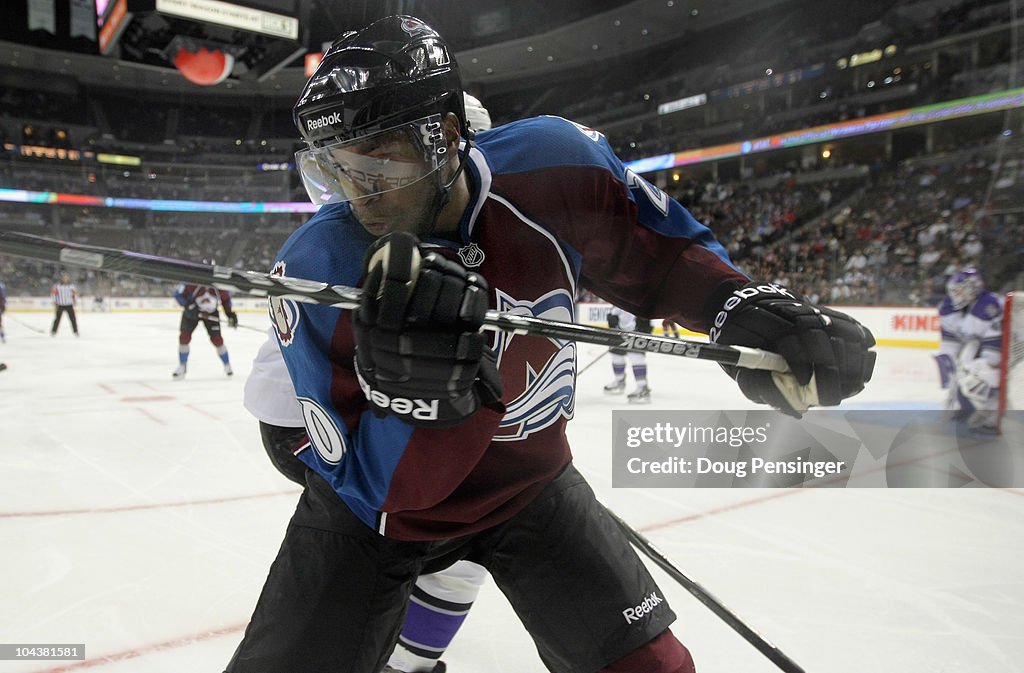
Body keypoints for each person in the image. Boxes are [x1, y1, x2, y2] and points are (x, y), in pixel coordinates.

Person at [225, 15, 875, 673]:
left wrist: (738, 308)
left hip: (529, 483)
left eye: (377, 163)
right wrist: (419, 400)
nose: (359, 194)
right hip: (376, 516)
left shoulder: (556, 163)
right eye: (339, 168)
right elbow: (380, 486)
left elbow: (659, 256)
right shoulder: (317, 266)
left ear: (446, 134)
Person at [244, 329, 487, 673]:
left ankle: (401, 655)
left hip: (293, 412)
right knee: (468, 524)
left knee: (454, 527)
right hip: (328, 422)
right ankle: (404, 662)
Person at [934, 267, 1004, 433]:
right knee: (954, 365)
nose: (955, 295)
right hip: (980, 344)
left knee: (981, 371)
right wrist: (949, 367)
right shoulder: (948, 306)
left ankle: (991, 412)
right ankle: (961, 405)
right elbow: (949, 346)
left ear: (973, 287)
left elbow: (991, 354)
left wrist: (967, 363)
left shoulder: (988, 304)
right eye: (954, 290)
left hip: (1001, 345)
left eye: (959, 290)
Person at [171, 282, 237, 378]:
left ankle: (227, 365)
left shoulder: (219, 285)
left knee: (217, 340)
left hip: (211, 314)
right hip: (191, 313)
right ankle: (182, 365)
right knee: (184, 338)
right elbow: (177, 294)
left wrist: (230, 315)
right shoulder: (190, 282)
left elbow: (226, 300)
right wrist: (189, 306)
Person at [603, 306, 652, 403]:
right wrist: (612, 321)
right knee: (616, 356)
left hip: (636, 332)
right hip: (620, 332)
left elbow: (647, 317)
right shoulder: (619, 300)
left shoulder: (639, 300)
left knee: (636, 358)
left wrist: (643, 329)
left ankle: (642, 388)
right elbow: (613, 314)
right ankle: (619, 381)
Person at [50, 271, 79, 337]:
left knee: (73, 319)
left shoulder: (71, 286)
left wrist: (75, 301)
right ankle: (53, 331)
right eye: (64, 278)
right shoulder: (57, 286)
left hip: (69, 304)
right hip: (60, 305)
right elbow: (53, 294)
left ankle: (76, 331)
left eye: (66, 278)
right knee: (57, 319)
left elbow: (75, 294)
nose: (65, 279)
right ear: (62, 278)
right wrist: (55, 302)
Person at [0, 277, 7, 343]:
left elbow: (2, 297)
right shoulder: (2, 285)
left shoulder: (1, 286)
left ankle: (2, 335)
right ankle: (2, 335)